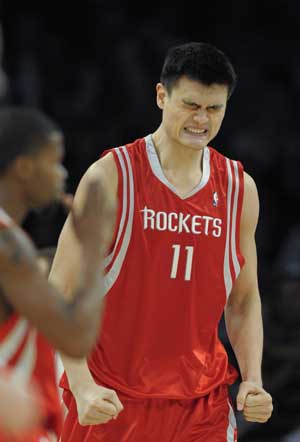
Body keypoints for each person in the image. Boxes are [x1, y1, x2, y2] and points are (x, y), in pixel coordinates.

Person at [50, 42, 273, 442]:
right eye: (190, 105)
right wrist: (81, 384)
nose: (201, 120)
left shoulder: (240, 189)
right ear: (160, 95)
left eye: (214, 108)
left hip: (199, 403)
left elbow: (242, 299)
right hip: (110, 398)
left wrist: (253, 377)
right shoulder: (112, 177)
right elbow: (59, 291)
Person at [0, 106, 114, 441]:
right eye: (54, 162)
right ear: (24, 167)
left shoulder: (17, 250)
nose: (62, 174)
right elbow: (76, 338)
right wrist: (93, 247)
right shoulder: (9, 246)